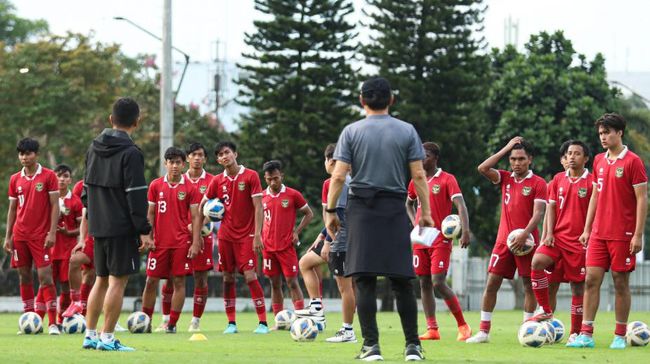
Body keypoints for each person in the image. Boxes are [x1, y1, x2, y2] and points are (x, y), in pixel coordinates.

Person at [326, 77, 432, 361]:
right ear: (391, 100)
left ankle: (371, 346)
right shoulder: (407, 131)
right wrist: (427, 213)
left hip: (361, 210)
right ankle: (413, 346)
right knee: (401, 280)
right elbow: (419, 175)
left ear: (362, 100)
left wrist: (330, 211)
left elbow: (338, 175)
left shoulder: (351, 131)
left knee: (364, 279)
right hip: (395, 208)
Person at [568, 113, 647, 349]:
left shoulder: (633, 161)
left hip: (622, 234)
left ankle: (620, 335)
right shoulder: (599, 161)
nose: (603, 137)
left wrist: (638, 234)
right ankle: (586, 334)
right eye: (601, 133)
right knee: (591, 280)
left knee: (620, 282)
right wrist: (587, 228)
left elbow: (642, 199)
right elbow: (595, 195)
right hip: (598, 234)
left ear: (619, 133)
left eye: (607, 132)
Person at [81, 97, 153, 351]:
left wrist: (97, 214)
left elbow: (85, 191)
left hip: (98, 227)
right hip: (121, 228)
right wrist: (144, 230)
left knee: (100, 279)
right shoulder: (131, 153)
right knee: (117, 282)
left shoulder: (92, 147)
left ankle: (89, 335)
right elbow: (135, 195)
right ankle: (107, 338)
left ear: (111, 120)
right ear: (137, 121)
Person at [467, 137, 547, 344]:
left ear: (530, 159)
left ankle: (526, 329)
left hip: (528, 242)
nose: (516, 163)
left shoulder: (538, 183)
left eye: (521, 159)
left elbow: (538, 214)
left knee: (529, 285)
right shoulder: (505, 178)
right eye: (513, 159)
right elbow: (483, 167)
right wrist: (506, 148)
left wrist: (524, 234)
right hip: (504, 242)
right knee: (492, 283)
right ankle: (484, 332)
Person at [405, 142, 472, 341]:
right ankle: (432, 329)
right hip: (420, 239)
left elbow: (461, 205)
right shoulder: (416, 180)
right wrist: (414, 223)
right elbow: (408, 203)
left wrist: (465, 230)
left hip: (440, 239)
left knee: (438, 282)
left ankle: (463, 325)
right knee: (424, 282)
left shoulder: (447, 179)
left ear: (435, 158)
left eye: (424, 155)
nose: (420, 158)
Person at [203, 141, 269, 334]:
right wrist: (200, 223)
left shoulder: (250, 176)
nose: (224, 156)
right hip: (225, 236)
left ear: (235, 154)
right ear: (217, 159)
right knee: (227, 277)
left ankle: (263, 323)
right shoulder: (217, 181)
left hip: (247, 236)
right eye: (220, 154)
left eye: (227, 152)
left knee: (250, 275)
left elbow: (259, 206)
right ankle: (231, 323)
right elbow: (203, 205)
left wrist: (258, 234)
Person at [530, 140, 593, 343]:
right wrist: (548, 233)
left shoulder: (592, 182)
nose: (572, 157)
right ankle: (546, 310)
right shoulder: (557, 179)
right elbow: (551, 208)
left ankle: (575, 333)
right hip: (557, 239)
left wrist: (588, 233)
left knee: (577, 288)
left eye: (576, 153)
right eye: (569, 153)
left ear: (586, 158)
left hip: (579, 244)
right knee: (537, 262)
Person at [297, 143, 358, 343]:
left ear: (330, 161)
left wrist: (328, 241)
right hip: (337, 237)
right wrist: (322, 236)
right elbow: (331, 217)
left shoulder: (339, 183)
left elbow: (338, 218)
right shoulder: (337, 181)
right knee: (305, 263)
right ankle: (316, 307)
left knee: (345, 287)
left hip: (342, 241)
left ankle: (348, 331)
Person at [141, 147, 202, 334]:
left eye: (178, 162)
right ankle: (146, 321)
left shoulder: (190, 188)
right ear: (165, 164)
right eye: (171, 162)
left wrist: (195, 241)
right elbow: (150, 214)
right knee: (151, 281)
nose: (174, 166)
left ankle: (172, 324)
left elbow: (196, 217)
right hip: (159, 243)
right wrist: (148, 237)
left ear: (183, 165)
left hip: (181, 243)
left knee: (179, 282)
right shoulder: (155, 185)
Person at [4, 137, 60, 334]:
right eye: (21, 154)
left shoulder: (49, 176)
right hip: (20, 236)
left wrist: (52, 232)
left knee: (46, 277)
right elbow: (12, 209)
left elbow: (55, 206)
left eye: (28, 154)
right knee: (24, 276)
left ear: (36, 155)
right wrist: (8, 236)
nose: (24, 157)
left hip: (40, 236)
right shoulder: (14, 179)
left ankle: (53, 323)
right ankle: (27, 318)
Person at [260, 160, 313, 324]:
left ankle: (300, 320)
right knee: (274, 283)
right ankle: (279, 321)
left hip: (286, 248)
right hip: (268, 248)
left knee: (292, 282)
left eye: (276, 178)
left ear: (281, 176)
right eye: (269, 179)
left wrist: (296, 232)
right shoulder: (261, 197)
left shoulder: (292, 194)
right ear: (265, 178)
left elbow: (309, 213)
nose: (273, 182)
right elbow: (257, 218)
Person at [185, 142, 216, 332]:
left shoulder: (213, 181)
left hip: (204, 235)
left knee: (201, 279)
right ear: (188, 157)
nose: (197, 158)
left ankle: (196, 320)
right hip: (180, 235)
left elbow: (218, 210)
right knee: (174, 277)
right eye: (193, 154)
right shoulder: (179, 180)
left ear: (205, 158)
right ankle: (167, 320)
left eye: (200, 155)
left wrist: (199, 225)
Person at [52, 164, 83, 324]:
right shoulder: (48, 198)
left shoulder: (76, 202)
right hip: (49, 249)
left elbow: (81, 228)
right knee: (47, 285)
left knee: (64, 287)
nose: (61, 179)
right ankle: (39, 318)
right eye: (58, 176)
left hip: (66, 251)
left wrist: (67, 232)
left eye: (65, 176)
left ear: (70, 180)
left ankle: (61, 320)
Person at [62, 180, 96, 318]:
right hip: (92, 238)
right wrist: (81, 240)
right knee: (76, 260)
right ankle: (76, 302)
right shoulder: (84, 186)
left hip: (112, 238)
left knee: (100, 277)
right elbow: (84, 215)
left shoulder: (115, 182)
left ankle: (109, 319)